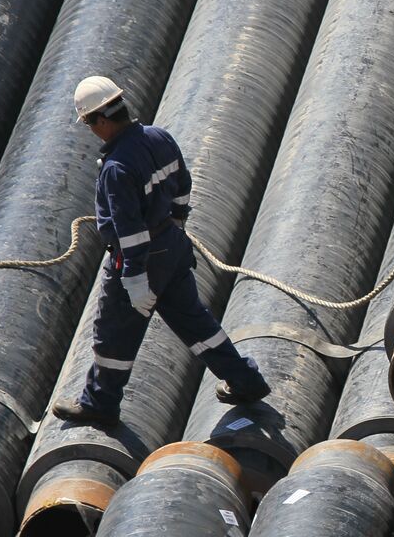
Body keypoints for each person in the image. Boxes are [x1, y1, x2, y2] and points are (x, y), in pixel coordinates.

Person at [52, 75, 270, 425]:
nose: (91, 130)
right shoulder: (159, 136)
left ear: (102, 120)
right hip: (172, 246)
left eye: (89, 123)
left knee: (113, 335)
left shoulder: (116, 167)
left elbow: (130, 230)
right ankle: (246, 381)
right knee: (196, 322)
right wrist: (178, 222)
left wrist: (135, 278)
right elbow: (183, 183)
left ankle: (100, 404)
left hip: (142, 260)